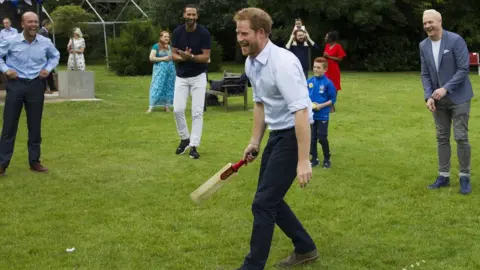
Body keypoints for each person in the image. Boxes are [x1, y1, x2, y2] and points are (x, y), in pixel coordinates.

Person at [234, 7, 319, 270]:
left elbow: (302, 111)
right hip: (277, 134)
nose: (239, 38)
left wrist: (304, 160)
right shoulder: (251, 63)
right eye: (237, 33)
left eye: (244, 33)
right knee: (268, 198)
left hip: (295, 135)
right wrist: (254, 141)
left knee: (263, 203)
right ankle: (305, 248)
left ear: (261, 32)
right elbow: (260, 104)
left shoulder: (282, 63)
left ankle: (252, 266)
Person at [420, 9, 473, 195]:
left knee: (461, 137)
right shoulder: (423, 45)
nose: (427, 26)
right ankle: (443, 176)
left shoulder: (455, 40)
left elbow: (463, 69)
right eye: (425, 23)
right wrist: (428, 96)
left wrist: (445, 88)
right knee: (442, 138)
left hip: (459, 97)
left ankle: (465, 177)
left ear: (439, 21)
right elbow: (425, 73)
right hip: (438, 101)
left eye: (430, 22)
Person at [0, 11, 60, 176]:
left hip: (35, 85)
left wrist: (47, 70)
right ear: (22, 24)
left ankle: (34, 161)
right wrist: (6, 70)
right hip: (16, 85)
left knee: (35, 125)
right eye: (30, 22)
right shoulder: (10, 41)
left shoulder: (45, 42)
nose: (33, 25)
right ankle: (2, 163)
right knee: (9, 125)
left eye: (36, 22)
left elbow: (55, 56)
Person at [171, 4, 211, 159]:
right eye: (189, 14)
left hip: (198, 77)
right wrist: (182, 58)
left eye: (194, 15)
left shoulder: (203, 33)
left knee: (197, 112)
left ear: (197, 16)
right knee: (177, 110)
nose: (191, 17)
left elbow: (206, 57)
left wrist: (192, 57)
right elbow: (173, 54)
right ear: (184, 15)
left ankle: (194, 145)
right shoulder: (177, 32)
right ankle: (184, 139)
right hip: (181, 76)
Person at [307, 57, 336, 169]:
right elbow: (304, 96)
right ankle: (314, 159)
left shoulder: (328, 83)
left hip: (323, 115)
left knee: (322, 137)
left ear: (325, 70)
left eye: (318, 67)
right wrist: (310, 104)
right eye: (314, 67)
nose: (315, 69)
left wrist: (320, 106)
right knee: (312, 138)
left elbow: (332, 99)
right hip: (311, 115)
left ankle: (327, 159)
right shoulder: (309, 82)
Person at [147, 31, 176, 113]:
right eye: (165, 36)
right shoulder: (156, 46)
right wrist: (163, 59)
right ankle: (151, 106)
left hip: (170, 72)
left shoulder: (169, 47)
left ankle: (166, 106)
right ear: (161, 37)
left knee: (168, 87)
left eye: (168, 37)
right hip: (159, 72)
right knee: (156, 86)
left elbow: (171, 57)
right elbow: (151, 58)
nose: (167, 38)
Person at [38, 19, 57, 93]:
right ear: (46, 24)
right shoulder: (42, 32)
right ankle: (46, 88)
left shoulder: (44, 32)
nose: (50, 27)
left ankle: (52, 87)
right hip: (44, 55)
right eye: (49, 25)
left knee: (49, 71)